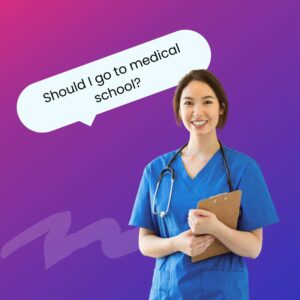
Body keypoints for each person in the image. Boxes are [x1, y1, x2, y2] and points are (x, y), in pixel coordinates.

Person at [129, 69, 279, 299]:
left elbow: (254, 248)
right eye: (188, 103)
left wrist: (216, 228)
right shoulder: (156, 171)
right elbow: (144, 243)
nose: (197, 112)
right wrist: (177, 244)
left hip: (223, 293)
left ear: (220, 107)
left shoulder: (244, 169)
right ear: (179, 110)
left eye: (207, 102)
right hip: (169, 293)